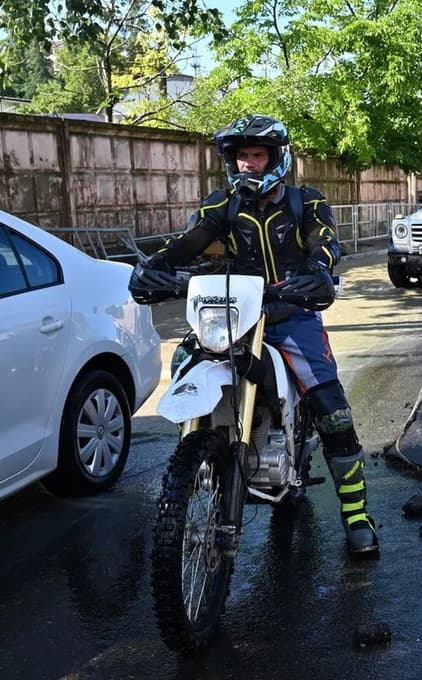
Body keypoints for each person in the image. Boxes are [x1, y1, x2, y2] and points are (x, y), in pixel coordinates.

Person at [128, 114, 379, 555]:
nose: (248, 163)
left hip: (289, 314)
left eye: (257, 155)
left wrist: (319, 271)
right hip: (231, 315)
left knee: (332, 410)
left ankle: (356, 515)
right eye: (241, 155)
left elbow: (324, 243)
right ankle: (198, 463)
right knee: (186, 362)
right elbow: (190, 241)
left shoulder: (307, 202)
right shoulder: (221, 205)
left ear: (276, 158)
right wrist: (156, 266)